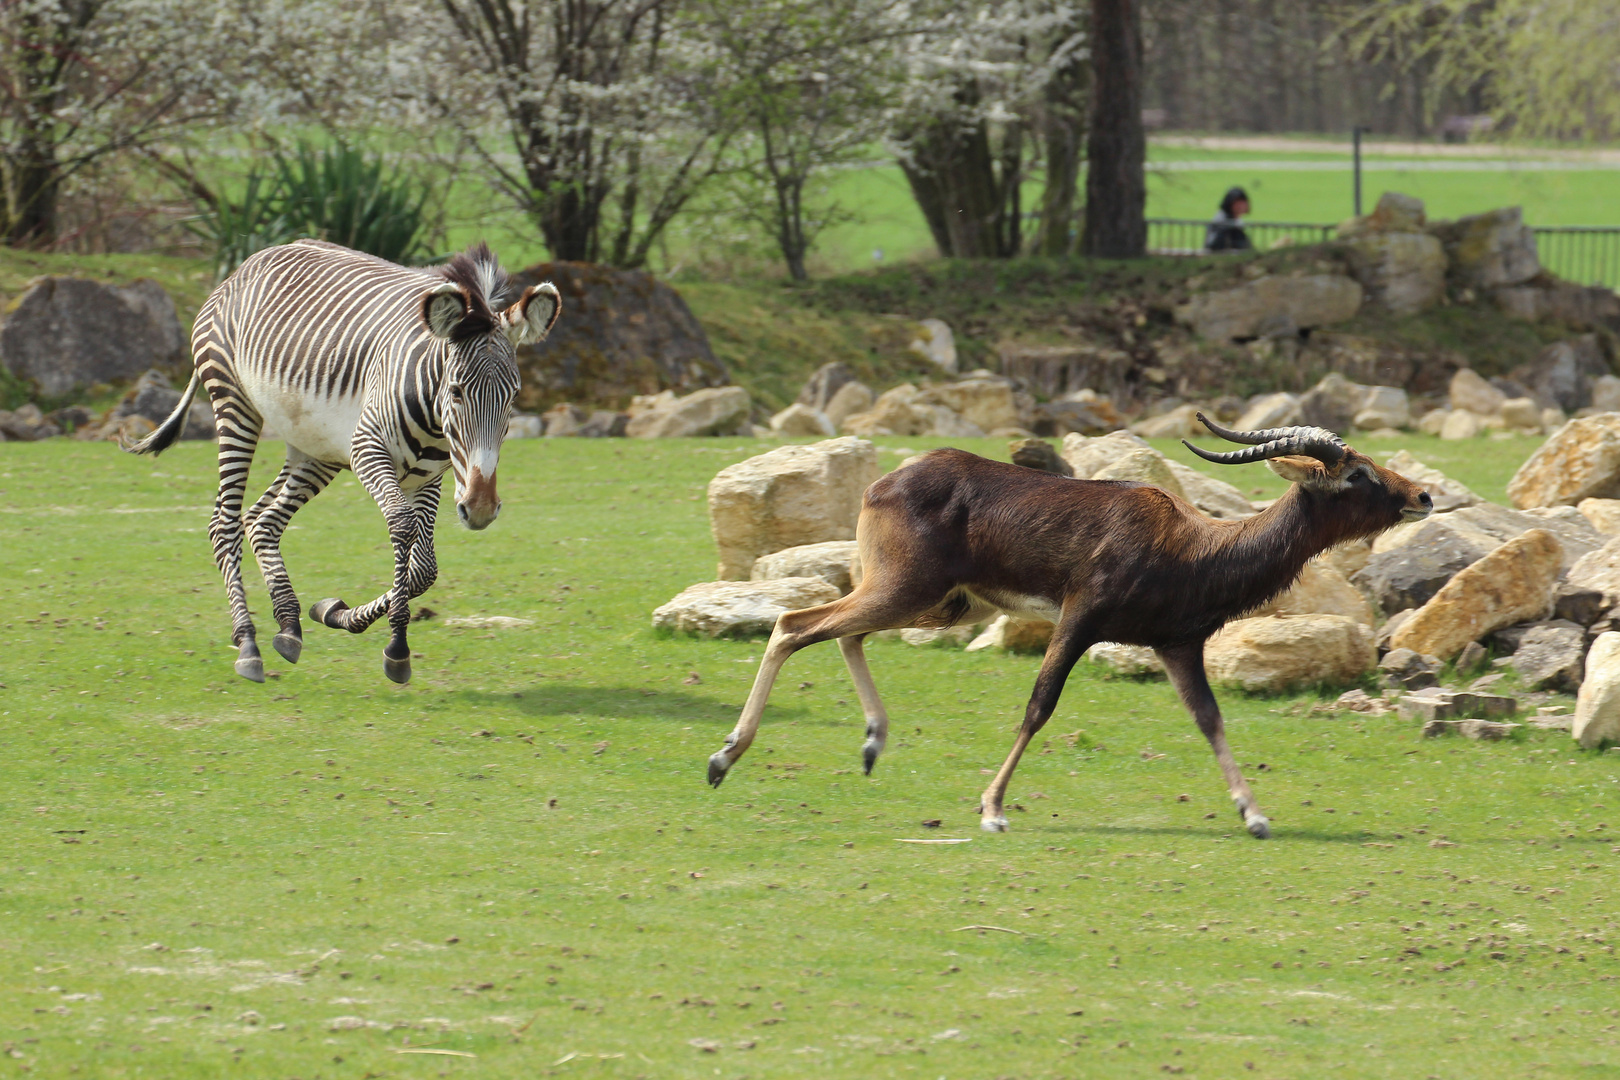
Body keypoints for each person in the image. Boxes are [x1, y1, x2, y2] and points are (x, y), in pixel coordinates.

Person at [1205, 186, 1252, 252]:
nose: (1241, 206)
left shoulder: (1236, 220)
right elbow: (1213, 243)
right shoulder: (1222, 220)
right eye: (1238, 203)